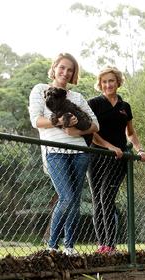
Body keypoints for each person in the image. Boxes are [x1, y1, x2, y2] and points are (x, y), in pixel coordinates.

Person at [28, 53, 99, 256]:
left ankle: (69, 246)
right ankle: (52, 246)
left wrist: (76, 129)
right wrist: (60, 121)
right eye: (62, 68)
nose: (65, 72)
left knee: (75, 201)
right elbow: (37, 121)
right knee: (66, 197)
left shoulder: (77, 98)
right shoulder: (40, 90)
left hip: (79, 152)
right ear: (54, 67)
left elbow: (95, 125)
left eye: (70, 70)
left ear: (74, 74)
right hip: (55, 151)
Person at [86, 66, 145, 254]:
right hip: (96, 156)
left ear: (118, 82)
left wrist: (140, 149)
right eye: (104, 81)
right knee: (97, 200)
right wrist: (108, 146)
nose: (108, 84)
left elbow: (131, 133)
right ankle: (102, 245)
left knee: (107, 197)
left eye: (111, 80)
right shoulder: (93, 103)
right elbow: (91, 132)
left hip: (117, 159)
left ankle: (111, 245)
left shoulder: (124, 107)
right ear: (100, 84)